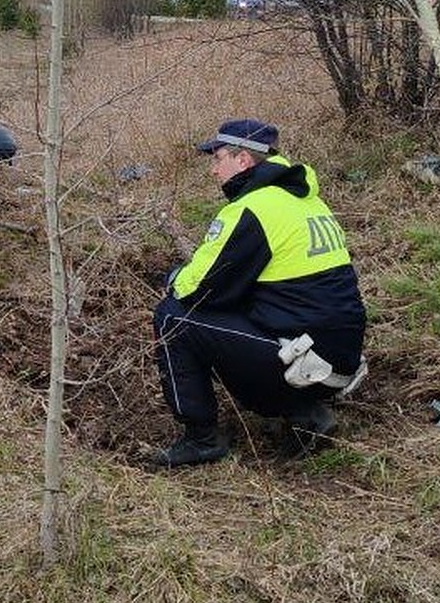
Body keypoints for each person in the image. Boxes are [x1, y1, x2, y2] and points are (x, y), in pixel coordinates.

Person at [150, 119, 367, 468]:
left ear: (243, 161)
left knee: (173, 316)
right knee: (238, 306)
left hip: (304, 363)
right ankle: (305, 411)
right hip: (338, 362)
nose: (213, 170)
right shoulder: (308, 202)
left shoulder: (254, 209)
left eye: (218, 158)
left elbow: (199, 288)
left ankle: (201, 439)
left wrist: (174, 277)